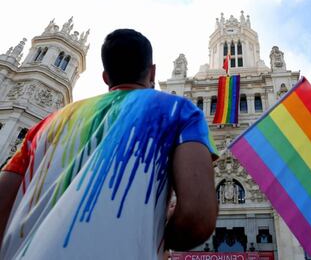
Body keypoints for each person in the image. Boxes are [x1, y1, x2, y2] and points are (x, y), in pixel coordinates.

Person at [0, 29, 218, 259]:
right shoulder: (179, 111)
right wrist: (157, 232)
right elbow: (197, 217)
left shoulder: (45, 125)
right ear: (152, 72)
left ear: (105, 76)